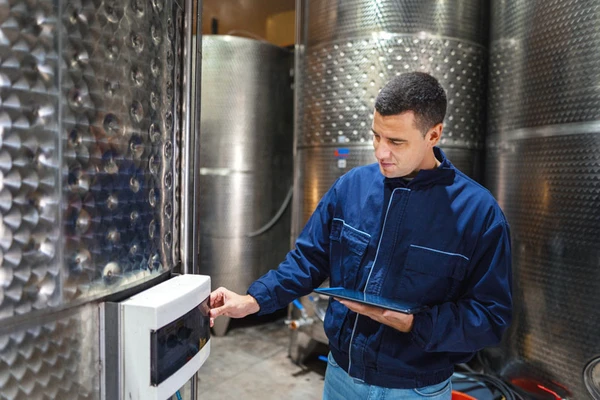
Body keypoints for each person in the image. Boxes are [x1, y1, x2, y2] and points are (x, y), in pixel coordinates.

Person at [209, 72, 512, 400]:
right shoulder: (351, 187)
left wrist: (416, 324)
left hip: (415, 391)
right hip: (341, 378)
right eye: (376, 136)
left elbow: (490, 315)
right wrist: (253, 300)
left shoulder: (477, 214)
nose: (381, 152)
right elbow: (308, 260)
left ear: (434, 134)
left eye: (396, 142)